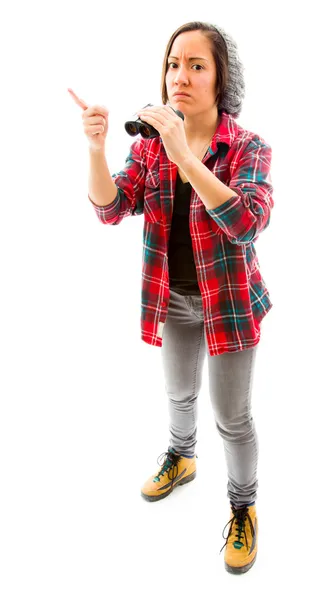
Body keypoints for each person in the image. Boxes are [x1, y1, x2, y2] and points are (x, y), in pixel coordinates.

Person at [68, 20, 274, 575]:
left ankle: (242, 508)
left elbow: (248, 222)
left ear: (220, 78)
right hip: (175, 298)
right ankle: (182, 458)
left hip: (229, 302)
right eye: (172, 64)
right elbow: (113, 207)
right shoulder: (153, 144)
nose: (179, 77)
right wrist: (95, 148)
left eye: (196, 65)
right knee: (179, 392)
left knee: (232, 417)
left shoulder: (249, 147)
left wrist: (186, 156)